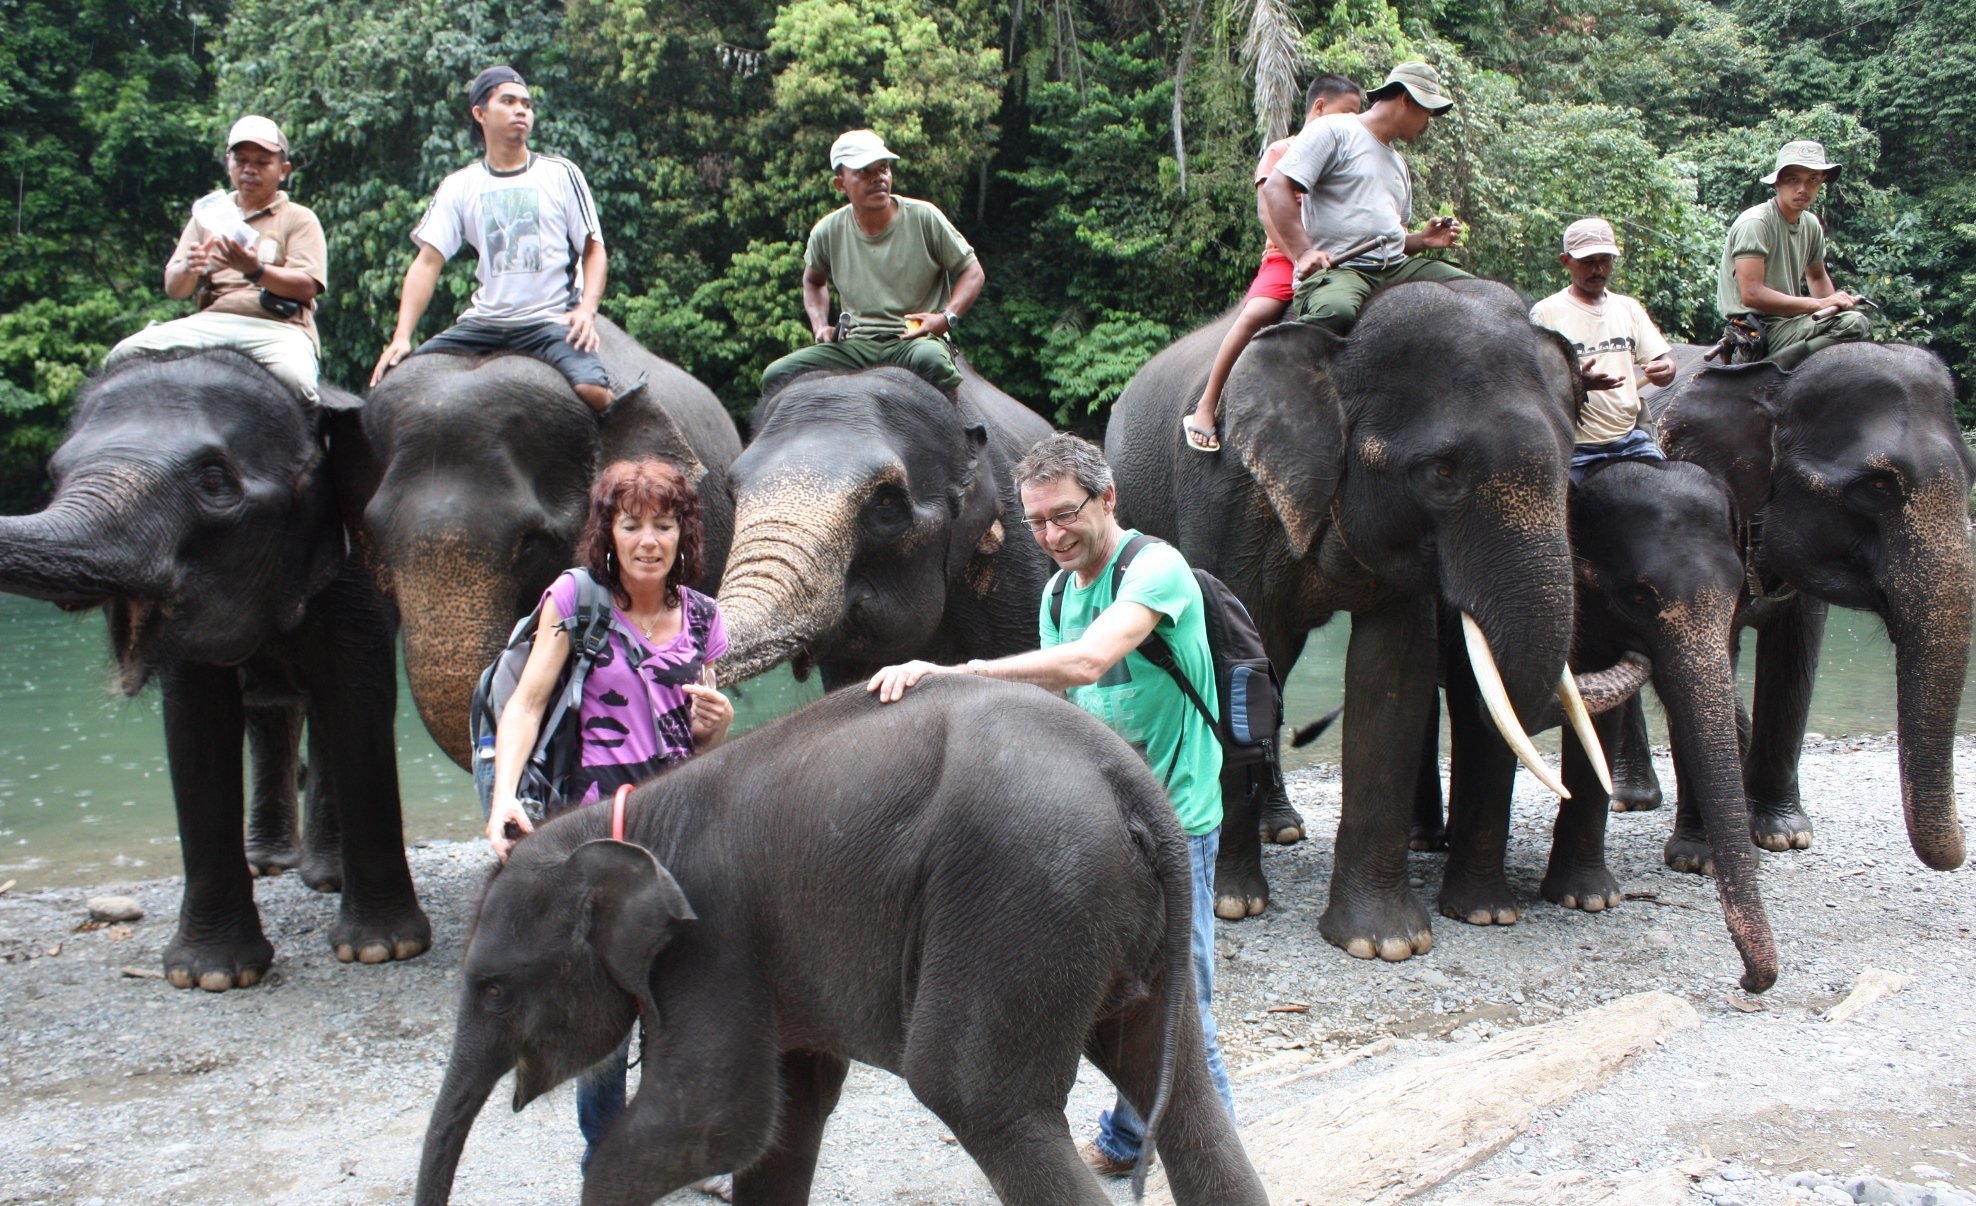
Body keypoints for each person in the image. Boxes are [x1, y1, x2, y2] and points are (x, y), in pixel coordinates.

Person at [865, 433, 1235, 1178]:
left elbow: (1087, 661)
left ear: (1108, 499)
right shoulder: (1058, 591)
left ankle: (1218, 1174)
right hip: (1105, 829)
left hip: (1179, 821)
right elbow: (1056, 705)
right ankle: (1133, 1139)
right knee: (1122, 994)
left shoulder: (1155, 570)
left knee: (1180, 1013)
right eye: (1035, 523)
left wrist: (959, 671)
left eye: (1065, 515)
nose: (1051, 536)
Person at [483, 457, 733, 1192]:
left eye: (663, 525)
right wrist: (504, 798)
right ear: (608, 532)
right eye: (632, 525)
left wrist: (715, 727)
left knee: (678, 990)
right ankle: (607, 1159)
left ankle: (674, 1149)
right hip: (594, 824)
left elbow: (698, 736)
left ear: (683, 532)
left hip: (680, 822)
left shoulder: (705, 618)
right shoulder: (577, 598)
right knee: (603, 994)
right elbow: (527, 705)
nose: (648, 540)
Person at [370, 66, 615, 411]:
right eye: (509, 101)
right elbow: (427, 262)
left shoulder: (560, 174)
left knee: (593, 390)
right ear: (480, 113)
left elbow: (594, 249)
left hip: (549, 321)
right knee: (403, 381)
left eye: (527, 105)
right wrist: (401, 337)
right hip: (483, 324)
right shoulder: (459, 185)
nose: (521, 111)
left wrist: (586, 311)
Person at [1184, 74, 1367, 452]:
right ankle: (1206, 403)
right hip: (1287, 257)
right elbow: (1269, 211)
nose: (1352, 123)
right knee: (1258, 312)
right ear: (1319, 107)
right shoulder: (1283, 150)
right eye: (1346, 113)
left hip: (1339, 258)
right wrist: (1299, 256)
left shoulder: (1342, 158)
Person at [105, 115, 327, 402]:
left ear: (283, 170)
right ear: (228, 163)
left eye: (262, 162)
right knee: (123, 354)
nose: (250, 169)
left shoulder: (299, 218)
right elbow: (175, 289)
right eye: (241, 160)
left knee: (297, 382)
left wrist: (254, 270)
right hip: (212, 320)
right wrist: (191, 267)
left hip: (277, 327)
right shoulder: (209, 215)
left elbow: (306, 286)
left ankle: (316, 446)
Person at [758, 129, 985, 398]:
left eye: (884, 168)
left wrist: (945, 318)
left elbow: (973, 271)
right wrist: (820, 326)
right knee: (775, 374)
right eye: (864, 171)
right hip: (855, 345)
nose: (878, 178)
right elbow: (813, 280)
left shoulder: (924, 217)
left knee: (933, 363)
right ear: (840, 184)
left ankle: (956, 436)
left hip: (913, 340)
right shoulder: (827, 231)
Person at [1260, 61, 1469, 336]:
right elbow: (1276, 186)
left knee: (1473, 292)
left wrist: (1422, 240)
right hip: (1341, 269)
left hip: (1394, 268)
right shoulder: (1335, 130)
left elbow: (1386, 238)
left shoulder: (1399, 164)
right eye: (1426, 113)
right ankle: (1287, 367)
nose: (1427, 124)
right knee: (1336, 311)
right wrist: (1304, 252)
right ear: (1406, 99)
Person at [1528, 217, 1676, 483]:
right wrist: (1576, 383)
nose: (1598, 269)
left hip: (1630, 439)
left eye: (1605, 260)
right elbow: (1530, 384)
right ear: (1565, 261)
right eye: (1587, 262)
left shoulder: (1627, 308)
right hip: (1574, 447)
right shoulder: (1545, 314)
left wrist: (1666, 369)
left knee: (1671, 492)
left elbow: (1663, 363)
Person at [1715, 138, 1871, 370]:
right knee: (1854, 324)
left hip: (1792, 323)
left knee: (1851, 321)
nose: (1803, 189)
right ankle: (1764, 372)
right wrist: (1818, 305)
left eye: (1813, 180)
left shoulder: (1810, 224)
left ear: (1822, 182)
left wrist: (1834, 306)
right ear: (1777, 183)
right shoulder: (1756, 223)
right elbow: (1752, 294)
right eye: (1793, 180)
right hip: (1757, 328)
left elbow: (1817, 278)